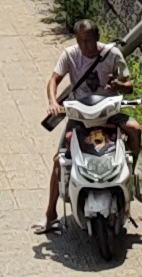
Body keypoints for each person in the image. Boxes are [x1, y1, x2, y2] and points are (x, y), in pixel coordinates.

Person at [44, 14, 130, 231]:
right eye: (80, 40)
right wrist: (53, 102)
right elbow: (53, 80)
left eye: (89, 41)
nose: (85, 46)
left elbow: (129, 85)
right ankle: (50, 213)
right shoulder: (70, 55)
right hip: (80, 116)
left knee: (135, 130)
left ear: (97, 38)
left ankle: (132, 181)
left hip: (108, 113)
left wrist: (118, 85)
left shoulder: (112, 54)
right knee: (59, 161)